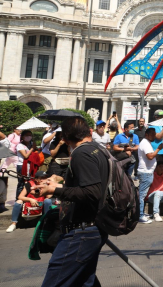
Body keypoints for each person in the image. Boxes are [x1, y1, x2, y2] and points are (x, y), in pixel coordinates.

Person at [35, 116, 110, 286]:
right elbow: (90, 182)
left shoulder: (81, 153)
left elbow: (92, 191)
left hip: (82, 231)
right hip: (91, 229)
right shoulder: (97, 149)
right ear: (89, 132)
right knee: (84, 281)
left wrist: (55, 190)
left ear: (65, 138)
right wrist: (60, 183)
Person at [137, 127, 160, 224]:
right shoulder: (145, 143)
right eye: (152, 134)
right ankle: (140, 215)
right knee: (141, 195)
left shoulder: (147, 143)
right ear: (146, 134)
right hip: (145, 173)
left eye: (154, 134)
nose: (154, 136)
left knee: (142, 194)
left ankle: (141, 212)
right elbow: (150, 156)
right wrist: (158, 149)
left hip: (147, 172)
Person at [15, 130, 36, 199]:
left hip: (30, 166)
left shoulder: (31, 144)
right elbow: (25, 156)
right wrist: (32, 149)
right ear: (23, 137)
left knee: (29, 183)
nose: (29, 137)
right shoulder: (20, 145)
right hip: (22, 166)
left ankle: (26, 197)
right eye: (27, 135)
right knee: (21, 183)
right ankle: (18, 199)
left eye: (30, 135)